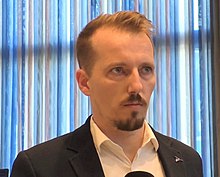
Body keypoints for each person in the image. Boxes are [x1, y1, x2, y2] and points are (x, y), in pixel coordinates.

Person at [10, 11, 203, 177]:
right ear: (85, 83)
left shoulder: (188, 161)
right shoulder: (39, 168)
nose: (136, 86)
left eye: (146, 70)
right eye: (118, 70)